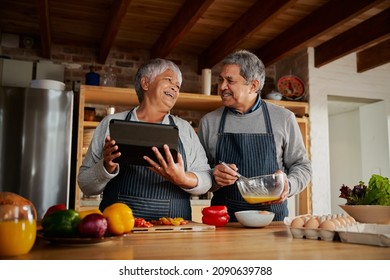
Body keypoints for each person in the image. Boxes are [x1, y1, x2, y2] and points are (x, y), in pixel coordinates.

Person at [78, 58, 212, 221]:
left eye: (177, 85)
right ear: (145, 83)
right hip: (120, 228)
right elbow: (85, 184)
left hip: (173, 231)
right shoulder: (110, 124)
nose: (174, 88)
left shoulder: (185, 129)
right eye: (168, 80)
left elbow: (206, 179)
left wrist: (183, 179)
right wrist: (106, 166)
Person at [197, 50, 312, 221]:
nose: (221, 87)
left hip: (272, 222)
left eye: (230, 81)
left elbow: (302, 166)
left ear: (253, 85)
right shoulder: (209, 122)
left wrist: (289, 184)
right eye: (221, 79)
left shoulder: (283, 118)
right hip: (224, 223)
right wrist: (214, 175)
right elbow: (198, 172)